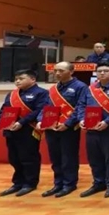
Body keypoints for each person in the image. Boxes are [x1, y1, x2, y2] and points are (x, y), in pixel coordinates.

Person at [76, 62, 109, 198]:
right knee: (94, 158)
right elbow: (81, 105)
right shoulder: (90, 88)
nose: (102, 73)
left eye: (106, 71)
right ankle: (98, 183)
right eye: (99, 71)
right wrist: (81, 119)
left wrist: (107, 122)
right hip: (91, 128)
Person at [0, 69, 49, 197]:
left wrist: (21, 122)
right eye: (16, 79)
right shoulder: (12, 94)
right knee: (14, 158)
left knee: (28, 158)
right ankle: (18, 182)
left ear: (32, 79)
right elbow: (4, 109)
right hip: (10, 129)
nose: (17, 81)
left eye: (21, 78)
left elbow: (38, 111)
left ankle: (30, 183)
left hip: (28, 129)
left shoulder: (41, 93)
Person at [39, 62, 86, 198]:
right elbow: (45, 107)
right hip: (51, 127)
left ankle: (69, 184)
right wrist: (41, 120)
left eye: (61, 70)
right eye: (55, 71)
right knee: (55, 157)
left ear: (71, 71)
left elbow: (80, 107)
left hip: (69, 128)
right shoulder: (53, 89)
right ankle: (58, 183)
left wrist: (67, 123)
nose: (57, 73)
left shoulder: (80, 87)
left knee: (68, 157)